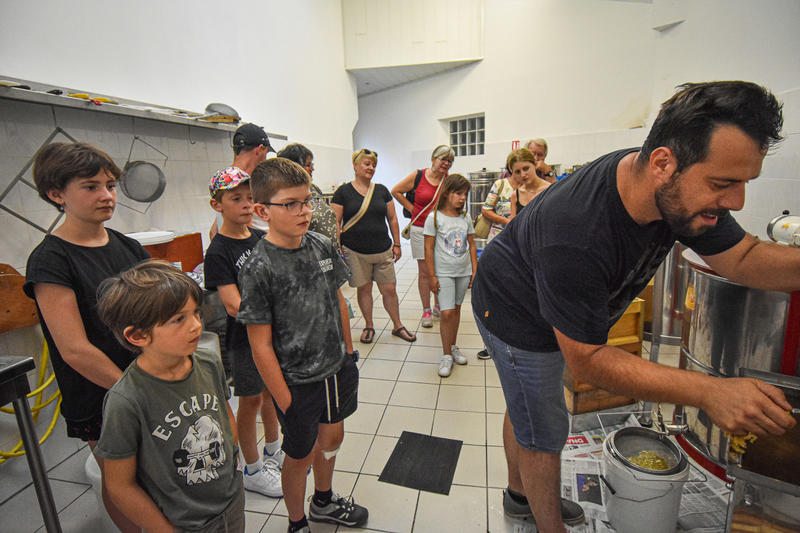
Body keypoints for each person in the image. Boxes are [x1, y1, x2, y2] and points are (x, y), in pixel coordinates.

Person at [472, 81, 799, 533]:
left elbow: (743, 258)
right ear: (664, 163)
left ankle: (519, 494)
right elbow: (587, 360)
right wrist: (710, 391)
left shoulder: (668, 187)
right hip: (514, 313)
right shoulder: (578, 230)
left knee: (527, 406)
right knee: (544, 430)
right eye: (723, 184)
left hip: (549, 298)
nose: (735, 202)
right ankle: (547, 524)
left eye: (743, 184)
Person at [23, 142, 150, 533]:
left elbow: (155, 316)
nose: (107, 196)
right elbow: (75, 349)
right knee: (124, 483)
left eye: (110, 185)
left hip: (148, 384)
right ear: (56, 194)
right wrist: (135, 392)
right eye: (91, 187)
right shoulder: (51, 260)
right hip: (103, 395)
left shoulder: (128, 247)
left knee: (158, 475)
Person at [237, 158, 368, 533]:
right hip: (296, 381)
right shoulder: (259, 266)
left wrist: (348, 353)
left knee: (333, 435)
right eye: (291, 204)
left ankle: (323, 501)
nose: (304, 211)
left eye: (307, 201)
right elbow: (259, 344)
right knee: (299, 454)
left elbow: (339, 301)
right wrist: (285, 401)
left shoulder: (322, 245)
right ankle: (297, 522)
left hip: (335, 367)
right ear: (263, 211)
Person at [94, 261, 243, 532]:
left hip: (231, 504)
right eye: (179, 319)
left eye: (196, 313)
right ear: (138, 335)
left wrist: (234, 459)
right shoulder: (126, 400)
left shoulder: (208, 363)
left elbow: (223, 412)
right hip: (183, 522)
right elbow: (119, 485)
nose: (197, 325)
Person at [204, 167, 283, 498]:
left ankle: (273, 450)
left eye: (250, 198)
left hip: (272, 336)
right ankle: (251, 468)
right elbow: (233, 305)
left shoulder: (260, 238)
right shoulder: (219, 251)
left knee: (270, 394)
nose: (246, 204)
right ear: (216, 204)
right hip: (246, 341)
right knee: (250, 399)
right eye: (236, 198)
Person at [278, 143, 358, 356]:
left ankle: (345, 352)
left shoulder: (312, 189)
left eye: (312, 164)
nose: (312, 169)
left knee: (336, 306)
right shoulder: (286, 198)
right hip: (308, 265)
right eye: (308, 165)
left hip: (326, 258)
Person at [331, 148, 416, 344]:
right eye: (367, 164)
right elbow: (335, 221)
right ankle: (369, 325)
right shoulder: (342, 193)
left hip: (382, 250)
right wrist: (339, 248)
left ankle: (397, 325)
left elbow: (393, 218)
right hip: (355, 251)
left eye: (373, 165)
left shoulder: (382, 191)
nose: (371, 168)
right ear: (355, 165)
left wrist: (397, 243)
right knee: (364, 289)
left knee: (389, 289)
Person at [391, 145, 455, 327]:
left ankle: (438, 305)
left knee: (440, 269)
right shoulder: (418, 176)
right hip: (419, 229)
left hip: (440, 230)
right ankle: (426, 310)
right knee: (425, 271)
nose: (446, 163)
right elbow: (395, 190)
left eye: (449, 161)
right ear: (434, 158)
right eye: (443, 158)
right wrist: (412, 209)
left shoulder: (448, 180)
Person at [423, 174, 477, 377]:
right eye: (458, 193)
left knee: (455, 310)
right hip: (443, 272)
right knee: (445, 313)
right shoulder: (434, 218)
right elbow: (428, 249)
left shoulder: (465, 218)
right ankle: (446, 354)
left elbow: (471, 245)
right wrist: (431, 276)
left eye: (465, 194)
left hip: (462, 272)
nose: (462, 198)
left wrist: (474, 270)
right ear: (446, 193)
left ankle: (453, 346)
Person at [209, 123, 275, 240]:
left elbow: (213, 232)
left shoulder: (224, 179)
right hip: (254, 251)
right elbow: (247, 231)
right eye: (266, 152)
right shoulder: (248, 185)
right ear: (260, 149)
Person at [508, 148, 551, 220]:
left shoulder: (549, 190)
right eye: (518, 172)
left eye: (526, 168)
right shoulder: (516, 195)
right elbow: (513, 226)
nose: (523, 175)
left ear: (535, 164)